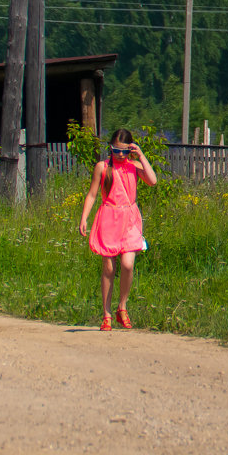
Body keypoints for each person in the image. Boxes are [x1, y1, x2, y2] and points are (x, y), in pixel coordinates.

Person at [79, 129, 158, 331]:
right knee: (108, 268)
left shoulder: (135, 166)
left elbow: (152, 181)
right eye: (116, 150)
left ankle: (122, 307)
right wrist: (84, 218)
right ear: (110, 148)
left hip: (130, 218)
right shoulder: (102, 167)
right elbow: (92, 194)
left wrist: (140, 155)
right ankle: (106, 314)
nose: (120, 155)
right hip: (109, 218)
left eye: (124, 151)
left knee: (128, 264)